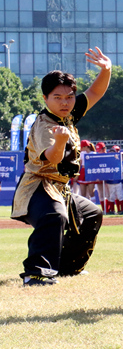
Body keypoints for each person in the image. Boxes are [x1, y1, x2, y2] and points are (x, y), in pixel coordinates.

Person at [13, 48, 112, 286]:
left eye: (69, 96)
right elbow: (52, 158)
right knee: (53, 216)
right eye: (57, 97)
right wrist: (59, 141)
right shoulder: (45, 124)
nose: (65, 102)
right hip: (37, 188)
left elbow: (95, 92)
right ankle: (37, 274)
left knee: (91, 214)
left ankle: (67, 267)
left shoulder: (67, 114)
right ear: (45, 98)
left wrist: (107, 70)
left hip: (60, 189)